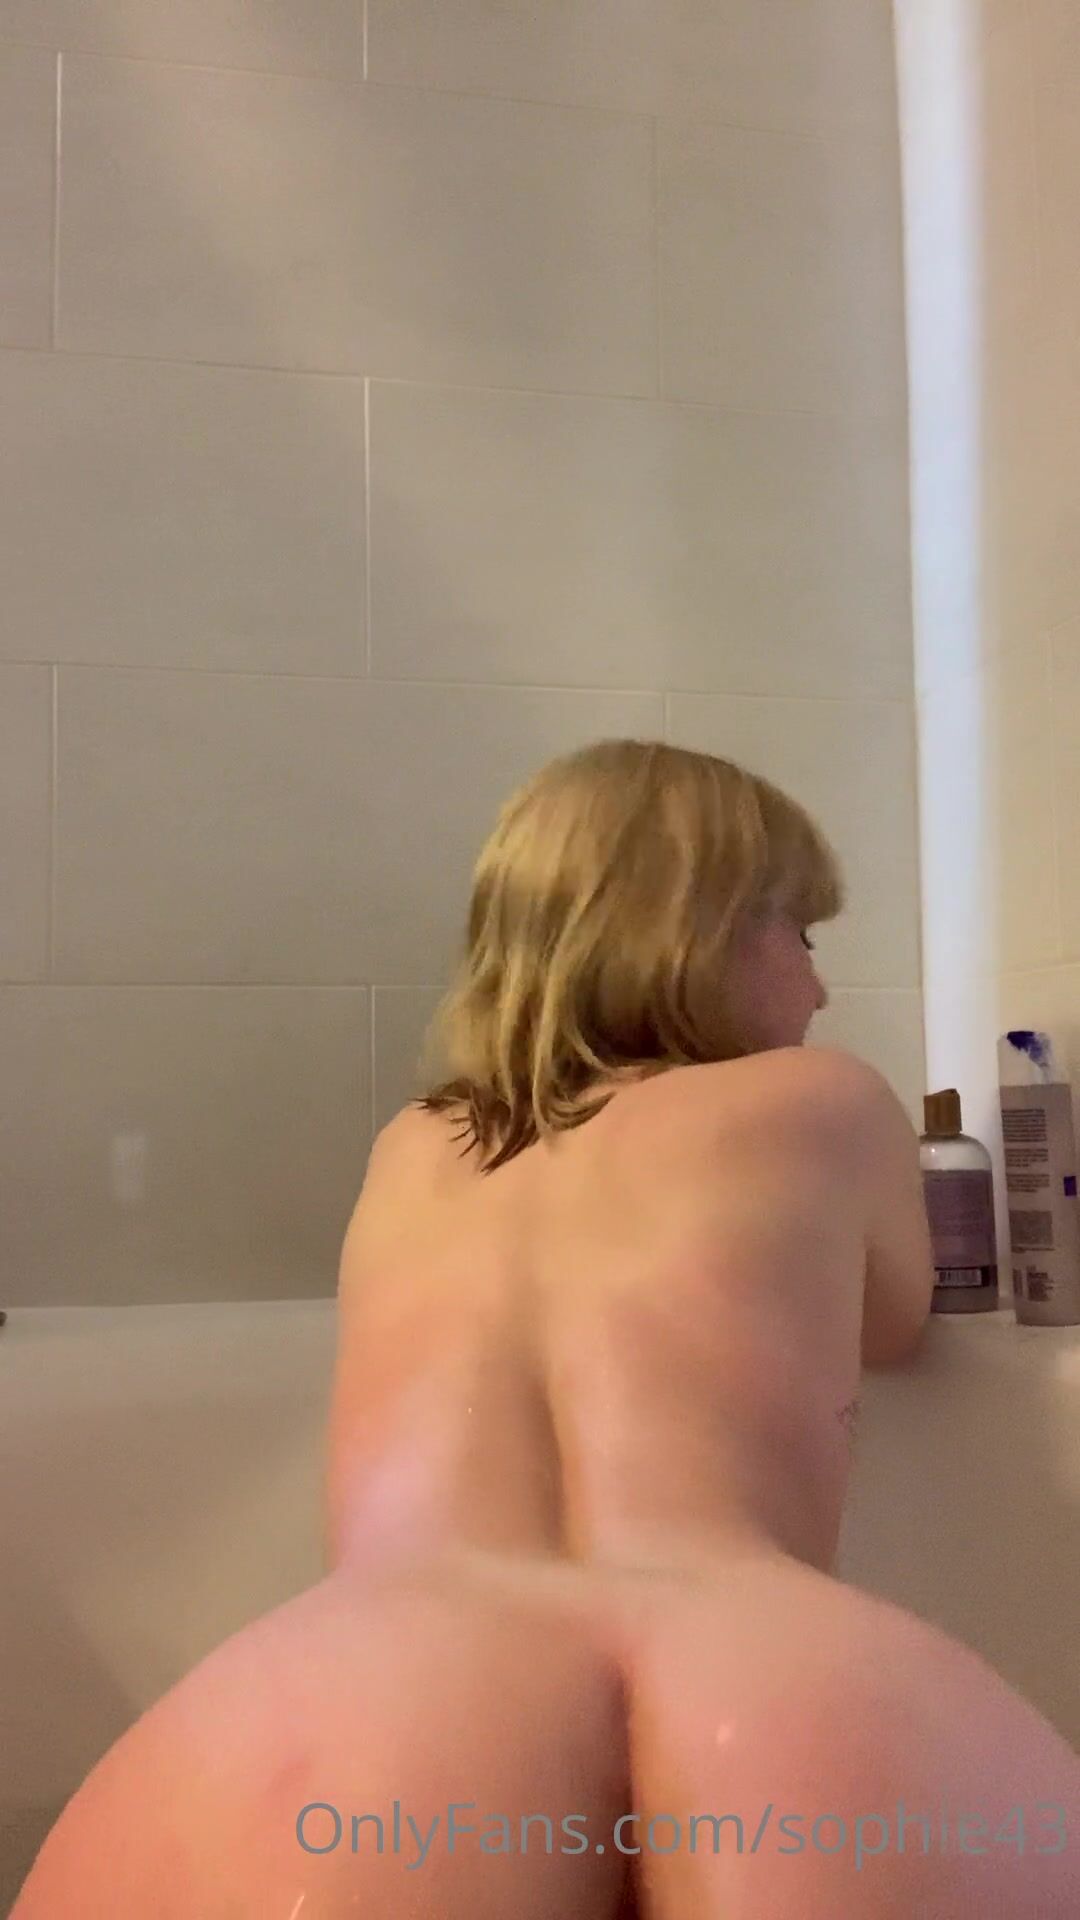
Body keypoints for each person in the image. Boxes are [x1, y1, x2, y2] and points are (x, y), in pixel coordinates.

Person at [14, 739, 1079, 1918]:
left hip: (381, 1691)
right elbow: (897, 1321)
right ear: (700, 930)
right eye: (804, 934)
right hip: (770, 1671)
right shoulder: (826, 1101)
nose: (822, 990)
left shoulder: (413, 1144)